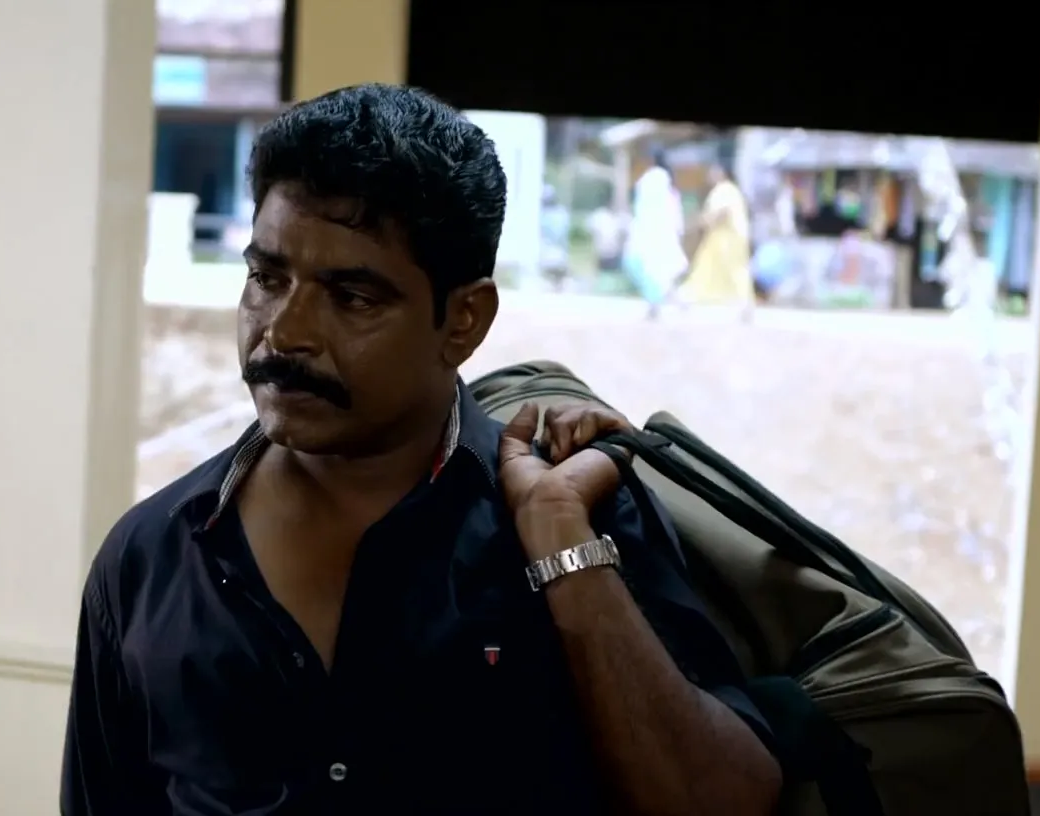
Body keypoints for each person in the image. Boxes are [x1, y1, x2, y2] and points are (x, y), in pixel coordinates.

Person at [61, 84, 780, 816]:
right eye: (267, 279)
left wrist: (565, 554)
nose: (284, 332)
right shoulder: (149, 560)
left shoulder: (587, 518)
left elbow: (722, 800)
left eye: (353, 297)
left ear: (463, 320)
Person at [620, 151, 689, 320]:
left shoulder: (653, 177)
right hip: (662, 231)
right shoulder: (666, 179)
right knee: (659, 270)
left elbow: (646, 205)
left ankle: (657, 305)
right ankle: (673, 303)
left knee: (650, 268)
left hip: (652, 231)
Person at [682, 165, 757, 316]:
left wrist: (703, 222)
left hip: (728, 238)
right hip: (722, 237)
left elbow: (722, 212)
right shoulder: (729, 190)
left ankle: (744, 301)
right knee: (708, 266)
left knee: (734, 269)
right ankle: (692, 296)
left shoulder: (725, 190)